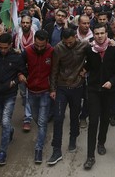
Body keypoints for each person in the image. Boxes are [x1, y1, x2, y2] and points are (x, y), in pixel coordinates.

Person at [83, 23, 115, 170]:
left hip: (108, 91)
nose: (99, 36)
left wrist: (111, 82)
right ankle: (90, 156)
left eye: (102, 33)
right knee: (93, 121)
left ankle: (101, 143)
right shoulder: (90, 49)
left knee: (105, 119)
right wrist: (83, 70)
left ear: (107, 33)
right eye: (97, 34)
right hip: (93, 89)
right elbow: (89, 65)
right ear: (93, 34)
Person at [47, 28, 89, 165]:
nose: (68, 45)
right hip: (61, 87)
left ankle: (73, 139)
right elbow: (54, 70)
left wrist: (86, 70)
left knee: (74, 115)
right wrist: (52, 89)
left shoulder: (84, 45)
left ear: (75, 37)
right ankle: (56, 150)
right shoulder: (58, 48)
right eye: (66, 43)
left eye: (70, 42)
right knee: (58, 118)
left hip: (77, 86)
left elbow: (95, 58)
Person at [0, 33, 27, 166]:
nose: (3, 50)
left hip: (10, 94)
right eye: (1, 47)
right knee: (0, 118)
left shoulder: (17, 57)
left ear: (10, 45)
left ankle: (2, 153)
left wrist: (15, 81)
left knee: (4, 121)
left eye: (6, 48)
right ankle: (10, 130)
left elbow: (23, 72)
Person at [23, 30, 54, 164]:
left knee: (41, 122)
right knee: (36, 117)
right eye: (37, 45)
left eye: (42, 46)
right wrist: (21, 75)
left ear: (47, 43)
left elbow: (55, 70)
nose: (39, 48)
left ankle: (38, 148)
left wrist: (53, 88)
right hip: (31, 91)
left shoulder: (52, 51)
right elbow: (20, 66)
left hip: (45, 92)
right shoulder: (27, 51)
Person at [13, 14, 35, 132]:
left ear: (31, 24)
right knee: (23, 93)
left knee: (28, 93)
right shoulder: (16, 37)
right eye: (23, 22)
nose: (25, 24)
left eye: (27, 22)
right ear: (21, 23)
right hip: (20, 69)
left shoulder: (36, 37)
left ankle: (27, 119)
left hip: (33, 69)